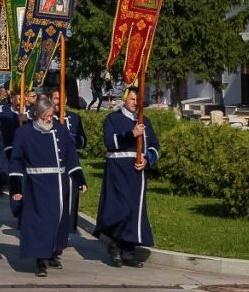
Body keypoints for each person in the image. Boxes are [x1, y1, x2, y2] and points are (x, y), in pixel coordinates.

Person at [9, 97, 87, 277]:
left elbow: (70, 156)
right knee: (40, 223)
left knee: (57, 222)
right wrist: (16, 189)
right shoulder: (24, 133)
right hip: (37, 185)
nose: (48, 119)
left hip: (59, 184)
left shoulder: (60, 130)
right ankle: (40, 261)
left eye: (51, 115)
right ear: (37, 114)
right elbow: (16, 162)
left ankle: (52, 252)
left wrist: (79, 178)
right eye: (45, 115)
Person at [95, 87, 159, 268]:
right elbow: (109, 142)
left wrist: (147, 159)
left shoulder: (145, 121)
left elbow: (154, 146)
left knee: (134, 211)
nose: (135, 103)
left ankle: (128, 251)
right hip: (117, 171)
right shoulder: (112, 119)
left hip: (137, 173)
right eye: (132, 99)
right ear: (125, 100)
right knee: (120, 209)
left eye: (138, 100)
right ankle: (114, 246)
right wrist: (132, 135)